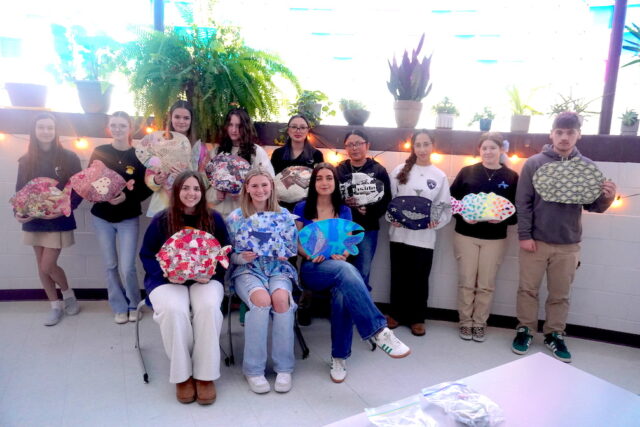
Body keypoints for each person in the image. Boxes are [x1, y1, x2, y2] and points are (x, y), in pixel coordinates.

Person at [512, 112, 616, 363]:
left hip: (568, 244)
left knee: (560, 294)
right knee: (527, 290)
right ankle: (525, 329)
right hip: (535, 241)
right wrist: (525, 235)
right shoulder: (534, 163)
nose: (564, 137)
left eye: (570, 133)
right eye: (559, 132)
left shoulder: (587, 167)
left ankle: (554, 333)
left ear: (578, 134)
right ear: (552, 133)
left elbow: (594, 205)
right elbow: (522, 202)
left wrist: (607, 197)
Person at [294, 163, 410, 383]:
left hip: (339, 267)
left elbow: (348, 241)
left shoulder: (344, 209)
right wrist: (309, 255)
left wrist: (344, 254)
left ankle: (339, 358)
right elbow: (296, 243)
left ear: (335, 183)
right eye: (319, 178)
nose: (325, 182)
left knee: (342, 294)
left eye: (329, 178)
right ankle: (379, 331)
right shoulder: (301, 208)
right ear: (313, 183)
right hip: (312, 268)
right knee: (347, 272)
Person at [139, 171, 229, 405]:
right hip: (166, 280)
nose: (191, 193)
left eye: (196, 188)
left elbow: (225, 254)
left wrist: (211, 272)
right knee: (174, 310)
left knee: (209, 307)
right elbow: (147, 254)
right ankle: (183, 375)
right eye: (186, 188)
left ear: (202, 192)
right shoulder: (162, 219)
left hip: (206, 279)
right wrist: (167, 274)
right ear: (177, 191)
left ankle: (205, 375)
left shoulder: (214, 219)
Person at [226, 169, 298, 394]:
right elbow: (227, 255)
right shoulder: (236, 218)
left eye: (264, 185)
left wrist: (285, 253)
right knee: (261, 300)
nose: (260, 190)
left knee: (281, 299)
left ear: (272, 187)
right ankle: (253, 369)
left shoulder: (284, 215)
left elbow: (292, 248)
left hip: (277, 268)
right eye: (255, 186)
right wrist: (241, 256)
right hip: (248, 270)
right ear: (247, 188)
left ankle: (284, 367)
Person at [449, 132, 519, 342]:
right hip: (465, 235)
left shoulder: (511, 177)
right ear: (479, 150)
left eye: (493, 148)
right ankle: (465, 322)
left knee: (486, 284)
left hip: (495, 238)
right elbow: (451, 202)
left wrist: (503, 220)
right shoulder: (467, 172)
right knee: (467, 282)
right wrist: (462, 214)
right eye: (484, 148)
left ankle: (480, 323)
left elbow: (516, 212)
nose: (488, 152)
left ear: (501, 150)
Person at [14, 113, 82, 326]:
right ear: (34, 131)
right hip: (34, 220)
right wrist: (18, 213)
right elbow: (19, 191)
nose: (46, 131)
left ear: (55, 131)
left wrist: (64, 209)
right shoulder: (26, 160)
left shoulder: (69, 157)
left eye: (50, 128)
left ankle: (68, 294)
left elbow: (79, 190)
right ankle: (55, 305)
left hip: (57, 220)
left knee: (46, 266)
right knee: (41, 266)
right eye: (41, 127)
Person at [89, 111, 152, 324]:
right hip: (102, 217)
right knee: (110, 265)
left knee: (127, 266)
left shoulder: (139, 155)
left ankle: (134, 303)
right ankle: (118, 306)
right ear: (109, 127)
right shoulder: (100, 151)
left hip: (128, 218)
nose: (117, 129)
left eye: (122, 125)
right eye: (113, 125)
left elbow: (147, 187)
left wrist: (127, 195)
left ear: (130, 128)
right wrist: (105, 196)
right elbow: (90, 180)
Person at [387, 130, 452, 337]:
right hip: (399, 235)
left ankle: (417, 318)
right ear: (412, 147)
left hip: (424, 237)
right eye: (418, 145)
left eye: (426, 144)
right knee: (398, 276)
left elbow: (444, 206)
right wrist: (392, 218)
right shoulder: (399, 170)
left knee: (419, 278)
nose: (422, 149)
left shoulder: (439, 175)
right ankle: (395, 314)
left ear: (433, 145)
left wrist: (436, 222)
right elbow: (390, 200)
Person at [336, 130, 391, 290]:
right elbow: (330, 196)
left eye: (358, 143)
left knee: (363, 270)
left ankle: (359, 311)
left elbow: (387, 199)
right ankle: (341, 310)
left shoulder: (378, 170)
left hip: (367, 228)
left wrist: (369, 210)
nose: (354, 148)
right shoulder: (339, 170)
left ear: (367, 145)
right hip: (342, 228)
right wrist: (343, 202)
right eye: (350, 145)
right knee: (341, 268)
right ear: (346, 148)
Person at [145, 100, 209, 217]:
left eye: (186, 118)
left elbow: (206, 180)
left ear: (191, 120)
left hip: (190, 206)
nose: (181, 121)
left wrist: (188, 176)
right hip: (162, 207)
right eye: (177, 117)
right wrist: (156, 180)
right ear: (171, 118)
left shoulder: (200, 148)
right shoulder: (159, 144)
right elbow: (148, 176)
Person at [208, 108, 275, 216]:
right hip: (220, 212)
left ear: (246, 127)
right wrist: (216, 193)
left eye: (238, 126)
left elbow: (269, 181)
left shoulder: (256, 152)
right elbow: (205, 185)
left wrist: (243, 192)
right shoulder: (216, 152)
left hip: (246, 214)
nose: (234, 130)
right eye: (230, 125)